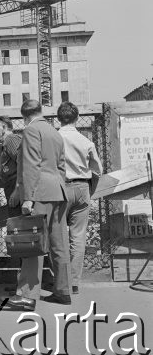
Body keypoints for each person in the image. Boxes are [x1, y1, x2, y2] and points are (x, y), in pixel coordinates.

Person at [5, 99, 71, 311]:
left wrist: (29, 197)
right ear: (40, 111)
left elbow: (31, 165)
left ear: (24, 116)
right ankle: (63, 290)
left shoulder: (31, 131)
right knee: (58, 242)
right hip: (58, 191)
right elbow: (61, 167)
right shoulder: (54, 132)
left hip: (39, 192)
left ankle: (26, 295)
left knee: (33, 242)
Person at [57, 101, 102, 294]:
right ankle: (74, 281)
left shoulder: (54, 138)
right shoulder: (87, 142)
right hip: (82, 186)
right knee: (78, 236)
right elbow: (97, 170)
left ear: (58, 118)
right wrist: (89, 190)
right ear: (76, 118)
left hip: (59, 188)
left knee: (58, 237)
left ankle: (61, 280)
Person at [0, 116, 22, 217]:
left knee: (18, 225)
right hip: (11, 185)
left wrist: (17, 190)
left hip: (16, 186)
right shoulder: (3, 143)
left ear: (4, 127)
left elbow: (23, 163)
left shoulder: (11, 139)